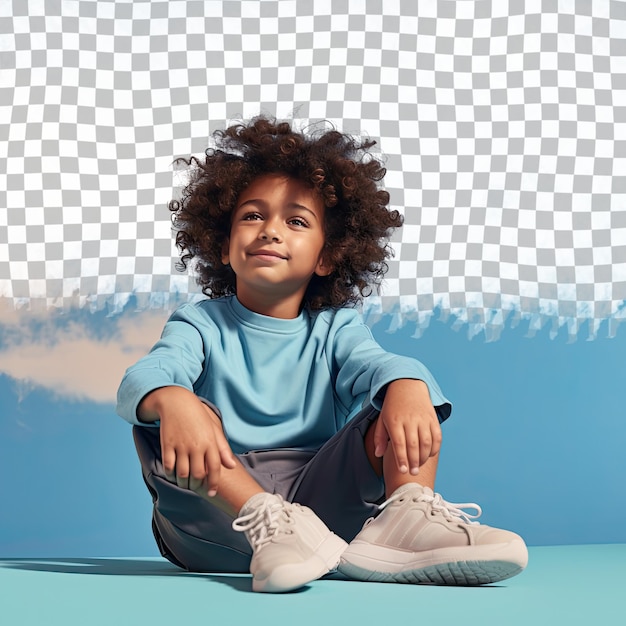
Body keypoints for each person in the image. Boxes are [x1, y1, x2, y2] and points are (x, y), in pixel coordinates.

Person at [116, 116, 528, 593]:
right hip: (217, 521)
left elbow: (378, 365)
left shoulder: (337, 328)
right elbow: (141, 379)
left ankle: (405, 518)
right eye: (252, 216)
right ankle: (265, 518)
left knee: (399, 389)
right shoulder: (199, 324)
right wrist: (172, 401)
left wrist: (408, 384)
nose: (270, 231)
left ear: (327, 257)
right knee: (168, 411)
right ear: (224, 247)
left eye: (295, 221)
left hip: (320, 519)